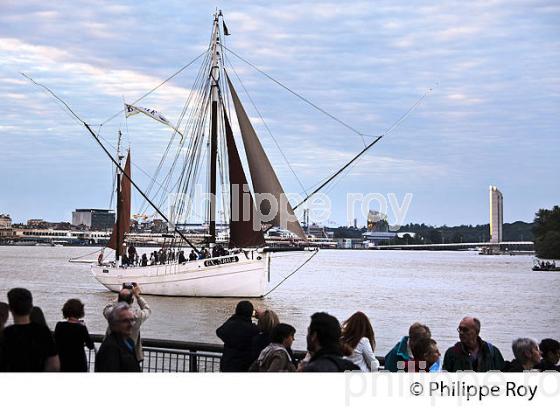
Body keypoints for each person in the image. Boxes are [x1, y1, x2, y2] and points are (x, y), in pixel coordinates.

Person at [2, 288, 59, 371]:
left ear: (10, 309)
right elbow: (54, 365)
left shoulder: (5, 334)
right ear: (31, 307)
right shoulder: (43, 332)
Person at [103, 283, 151, 362]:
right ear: (132, 300)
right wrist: (137, 296)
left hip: (111, 355)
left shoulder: (112, 313)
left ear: (119, 299)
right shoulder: (137, 315)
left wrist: (120, 296)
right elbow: (147, 309)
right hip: (131, 355)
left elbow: (107, 308)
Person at [95, 302, 141, 372]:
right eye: (125, 321)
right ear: (114, 323)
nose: (131, 324)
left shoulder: (129, 342)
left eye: (132, 320)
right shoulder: (110, 348)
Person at [216, 300, 259, 372]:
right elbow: (265, 331)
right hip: (245, 366)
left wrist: (234, 317)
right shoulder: (253, 329)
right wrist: (260, 317)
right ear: (251, 313)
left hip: (227, 364)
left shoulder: (231, 325)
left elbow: (219, 331)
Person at [54, 299, 94, 372]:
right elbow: (90, 345)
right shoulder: (81, 328)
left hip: (62, 362)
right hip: (79, 364)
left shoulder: (59, 326)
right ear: (80, 312)